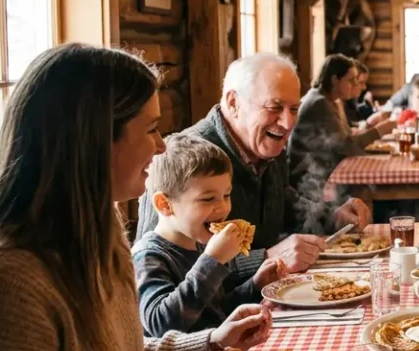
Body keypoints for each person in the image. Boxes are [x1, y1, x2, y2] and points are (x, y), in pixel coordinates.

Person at [0, 44, 271, 351]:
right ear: (96, 139)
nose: (161, 147)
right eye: (151, 128)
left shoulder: (100, 231)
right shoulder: (8, 281)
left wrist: (212, 341)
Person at [138, 54, 368, 273]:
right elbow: (158, 265)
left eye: (294, 109)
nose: (288, 123)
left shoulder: (267, 144)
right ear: (233, 102)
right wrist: (266, 259)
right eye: (274, 107)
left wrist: (333, 216)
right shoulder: (179, 158)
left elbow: (283, 200)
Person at [134, 134, 287, 336]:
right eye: (207, 199)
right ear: (165, 204)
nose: (223, 207)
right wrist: (212, 261)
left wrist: (255, 285)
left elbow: (214, 311)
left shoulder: (200, 244)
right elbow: (161, 324)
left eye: (226, 195)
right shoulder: (149, 256)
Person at [288, 55, 390, 232]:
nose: (355, 85)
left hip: (325, 170)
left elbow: (346, 139)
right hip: (309, 178)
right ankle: (364, 235)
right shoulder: (319, 103)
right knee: (365, 189)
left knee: (372, 186)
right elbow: (348, 146)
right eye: (351, 80)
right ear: (335, 79)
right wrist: (381, 130)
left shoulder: (331, 100)